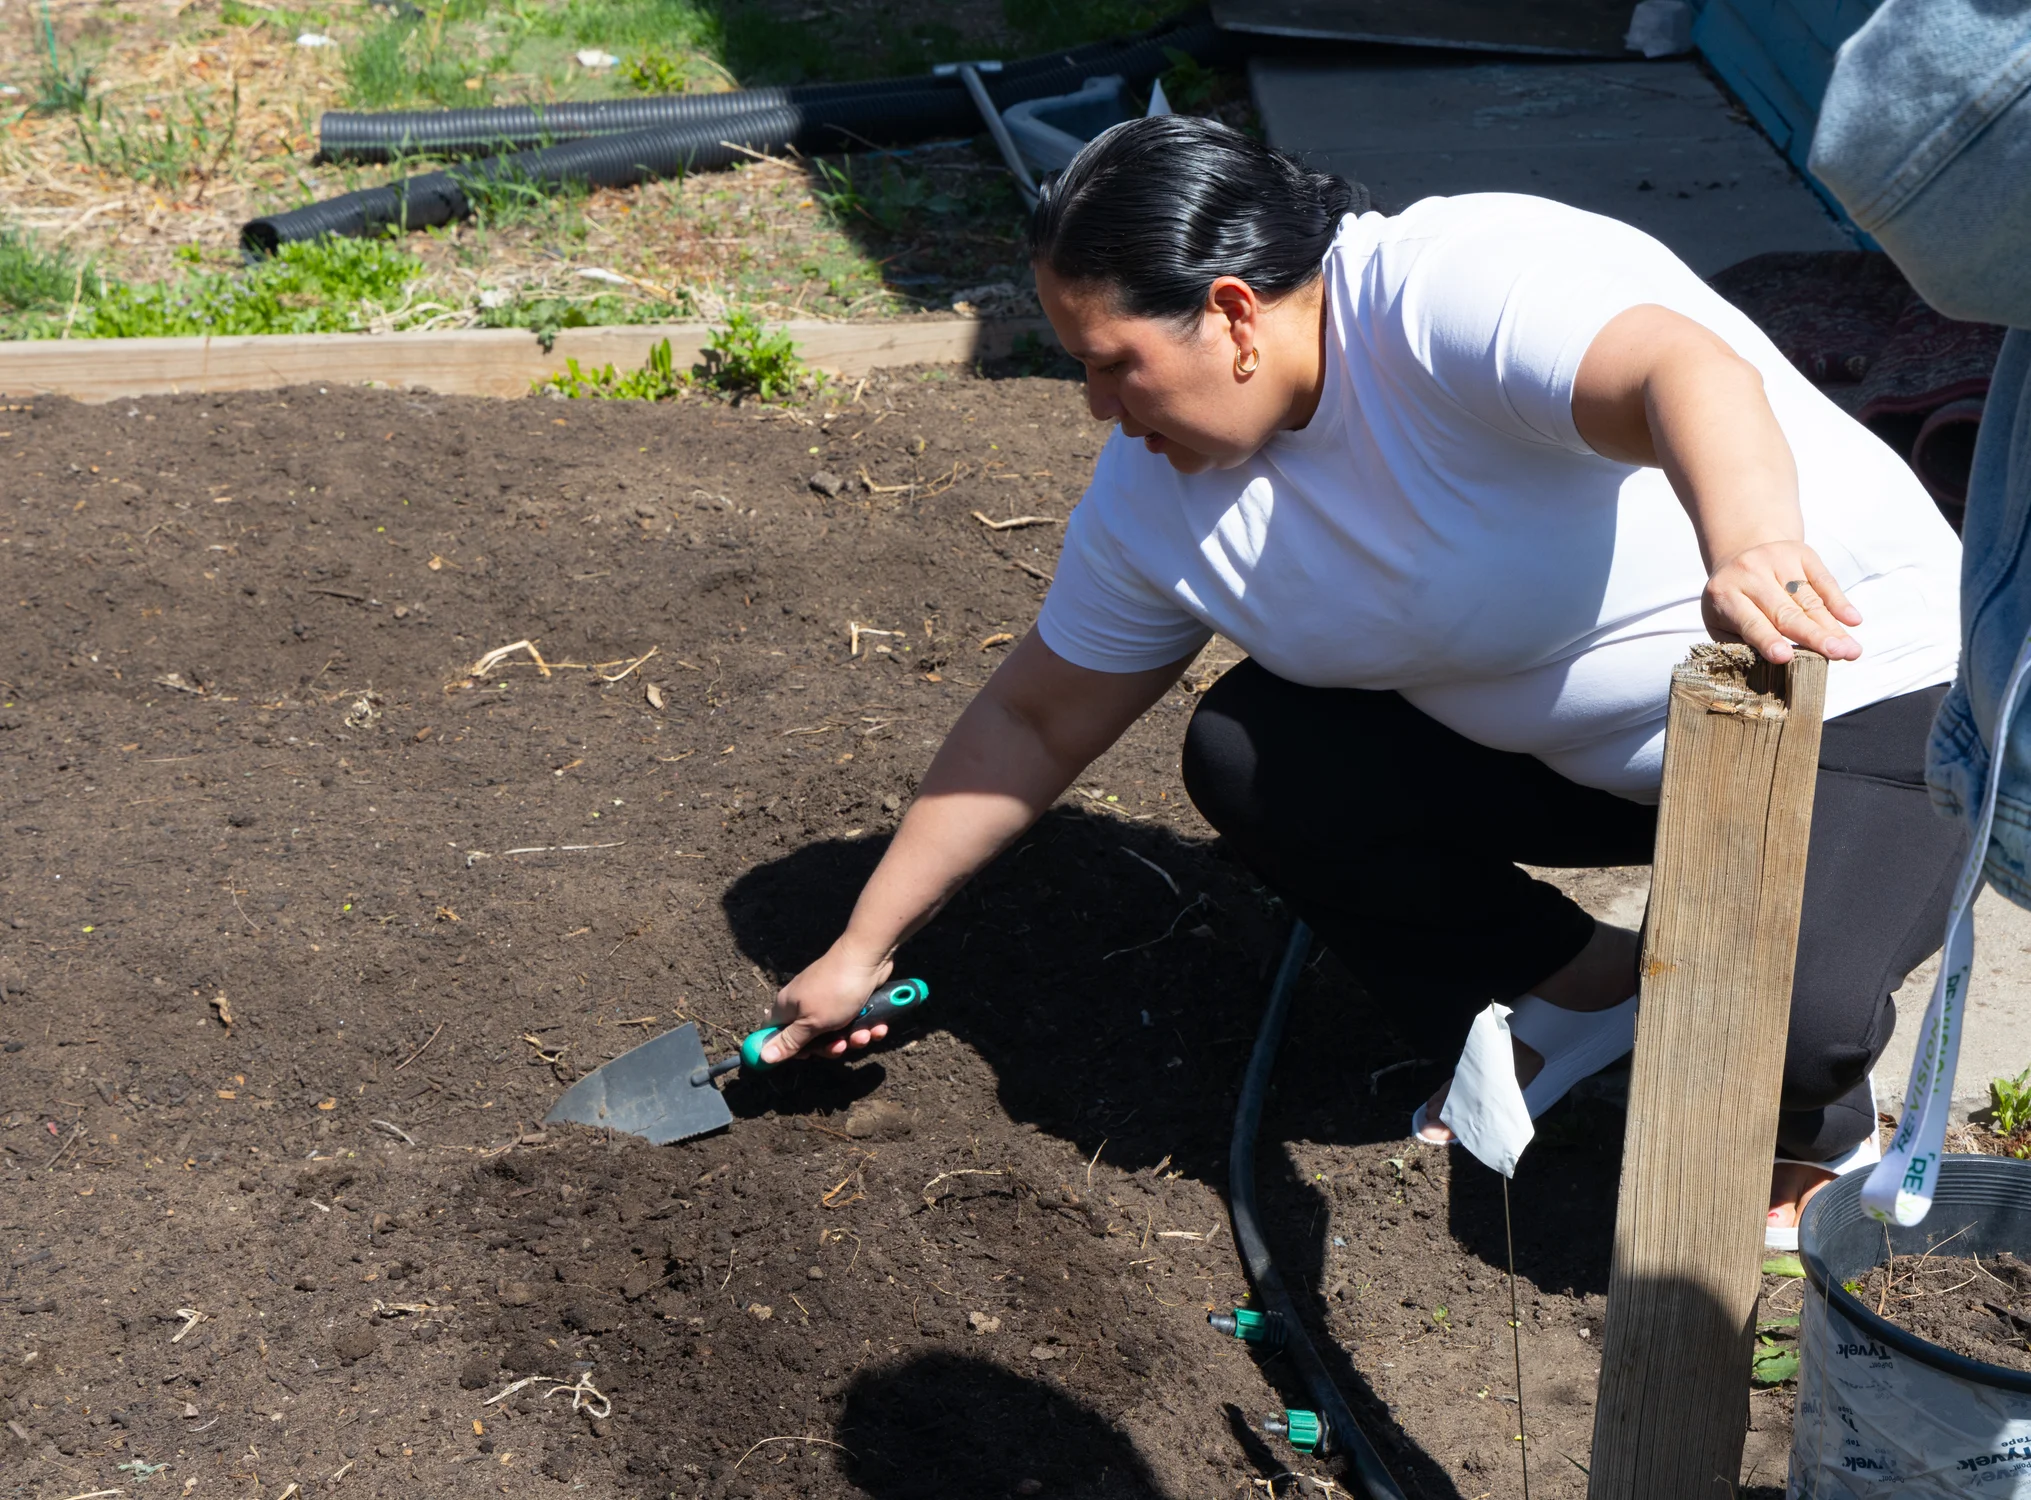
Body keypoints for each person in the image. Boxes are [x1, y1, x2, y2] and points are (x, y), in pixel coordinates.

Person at [762, 116, 1965, 1243]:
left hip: (1856, 689)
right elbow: (1033, 720)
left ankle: (1816, 1125)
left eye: (1113, 364)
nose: (1097, 408)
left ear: (1233, 313)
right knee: (1252, 751)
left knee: (1776, 1028)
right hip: (1595, 765)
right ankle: (1584, 988)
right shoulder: (1156, 500)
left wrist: (1751, 547)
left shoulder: (1445, 289)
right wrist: (862, 947)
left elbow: (1683, 369)